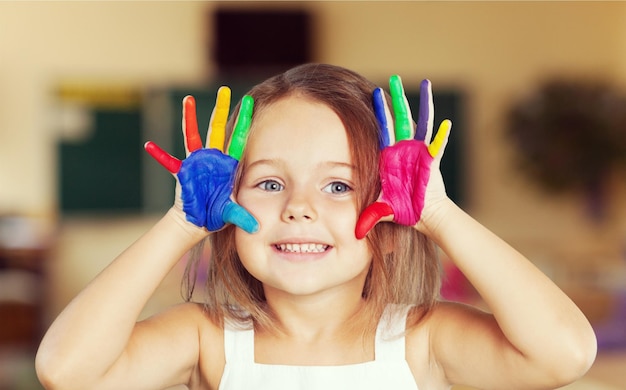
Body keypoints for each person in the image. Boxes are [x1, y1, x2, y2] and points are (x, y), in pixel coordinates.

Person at [36, 63, 597, 390]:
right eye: (271, 184)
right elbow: (66, 371)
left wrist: (439, 214)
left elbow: (566, 352)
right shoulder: (206, 338)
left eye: (338, 186)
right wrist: (180, 223)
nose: (300, 208)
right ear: (224, 209)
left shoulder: (422, 338)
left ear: (389, 208)